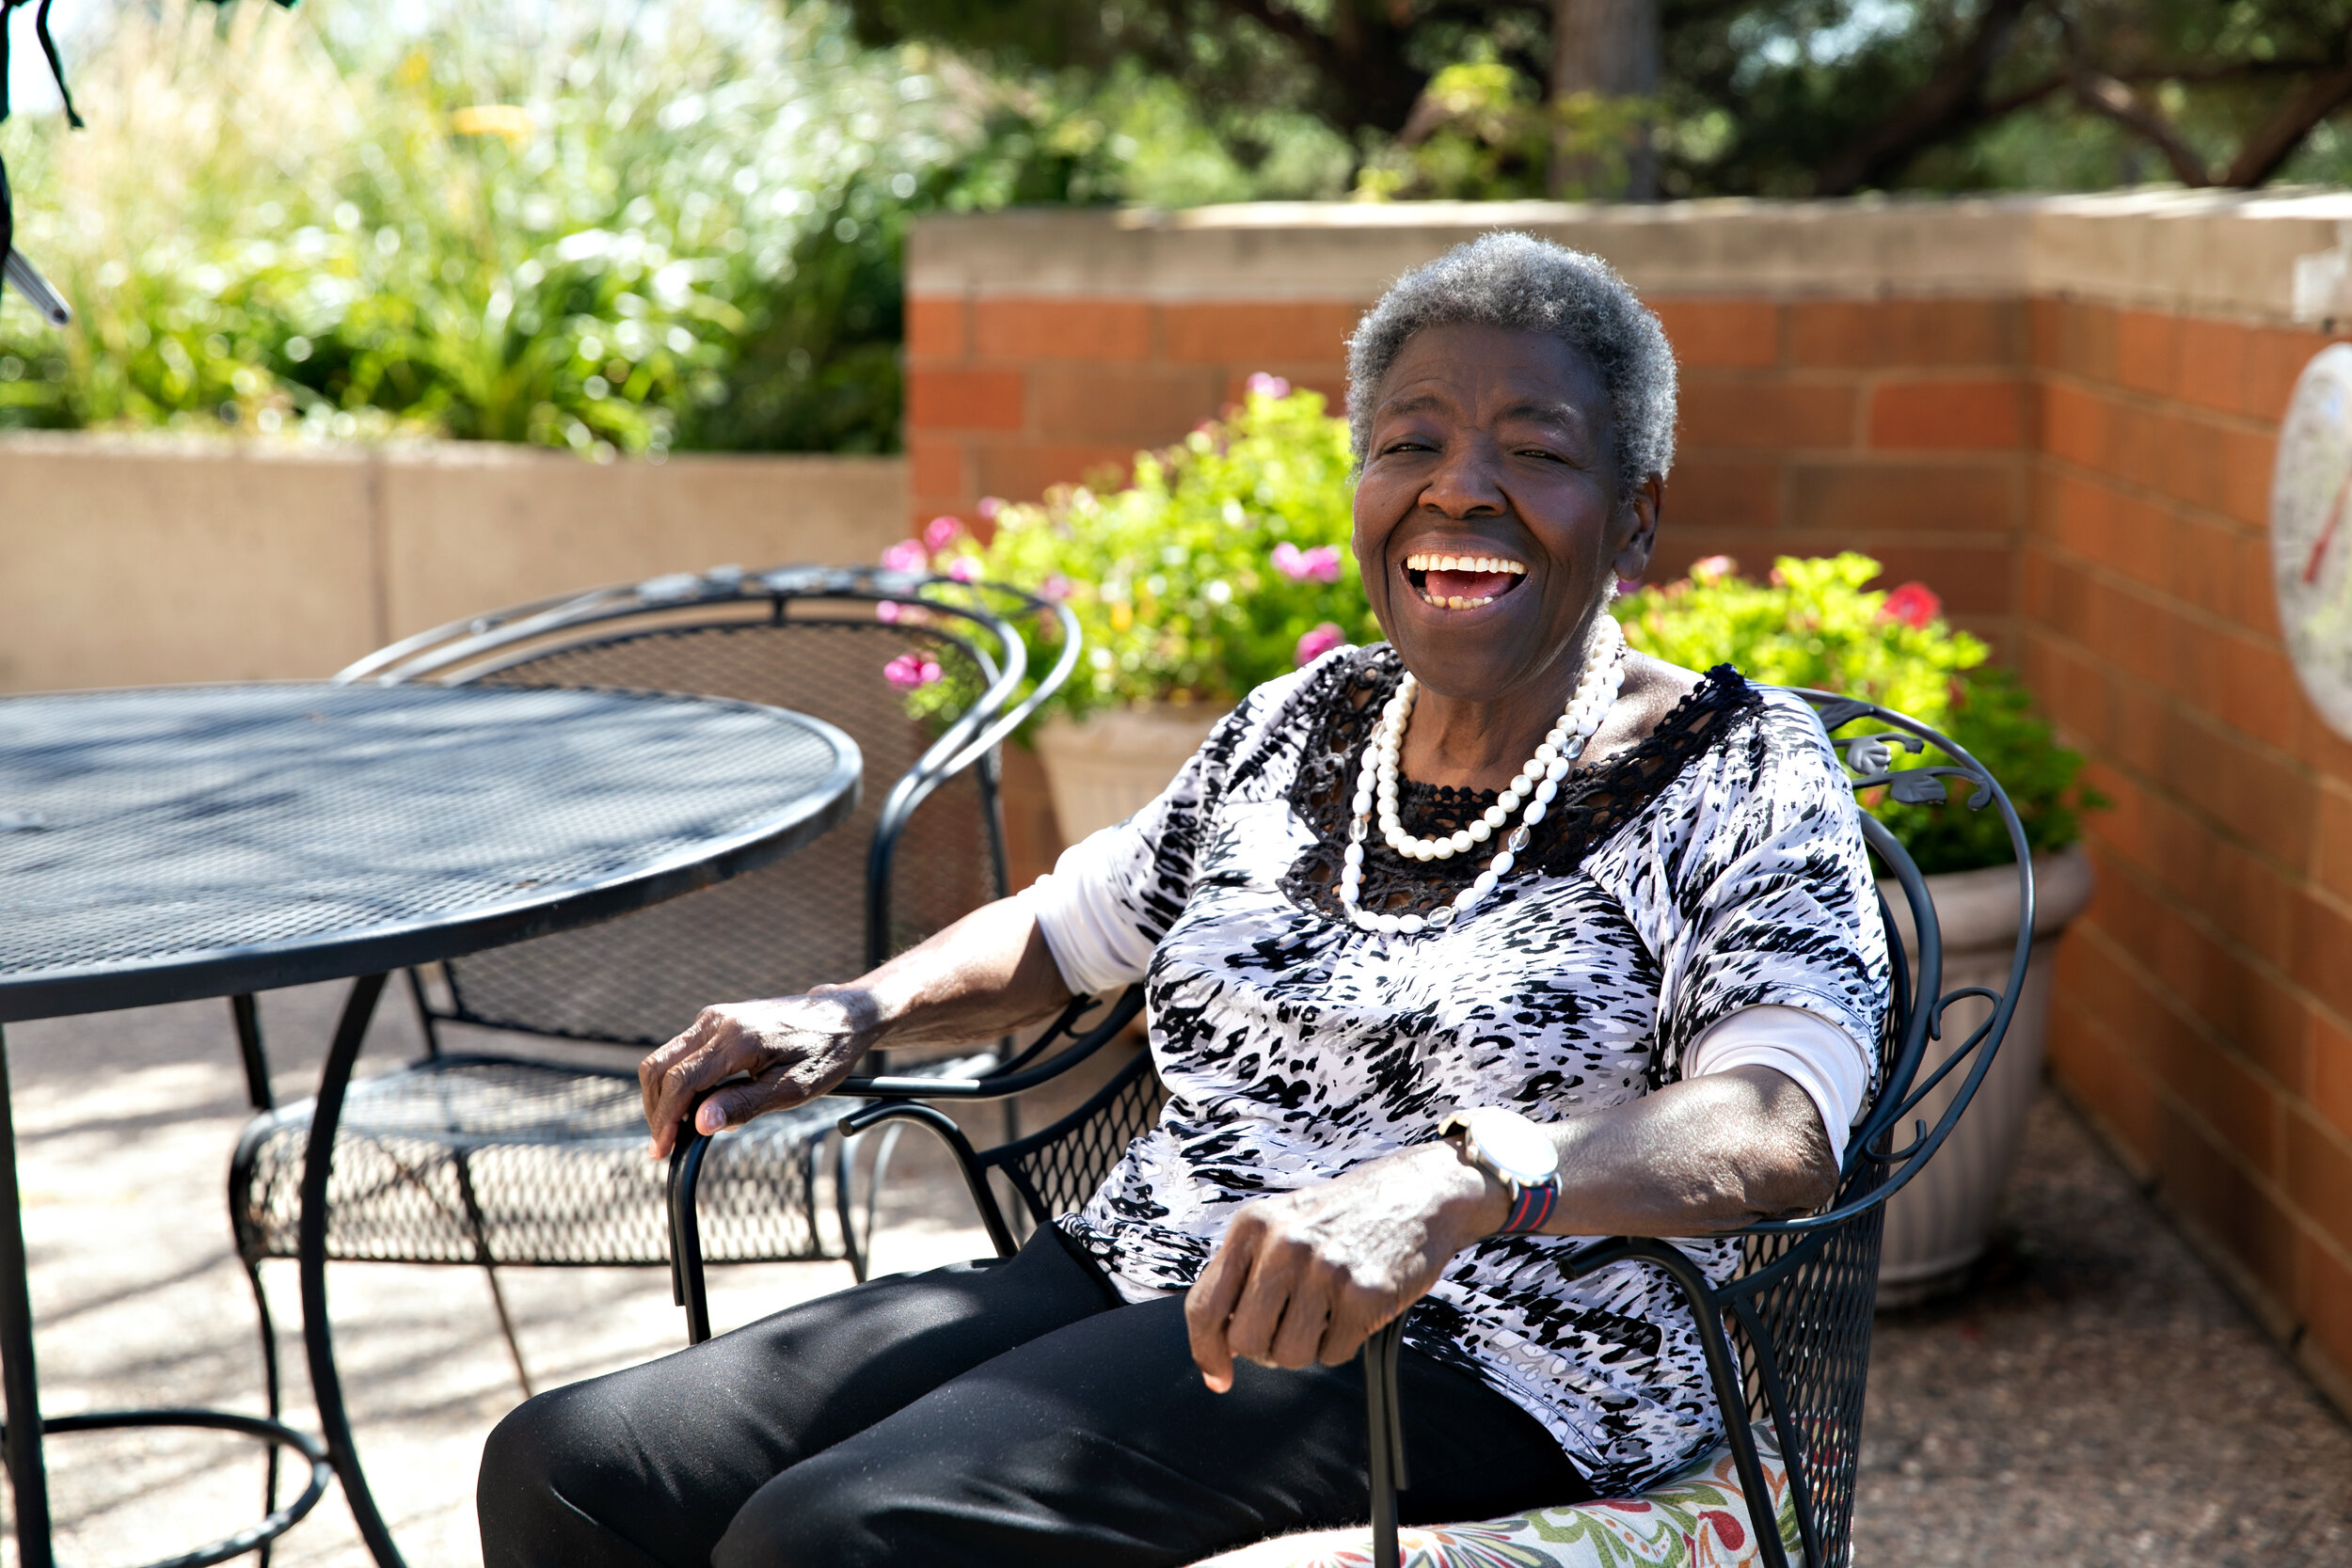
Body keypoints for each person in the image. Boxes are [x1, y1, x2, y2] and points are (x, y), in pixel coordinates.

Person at [476, 231, 1889, 1568]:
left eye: (1535, 453)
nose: (1458, 489)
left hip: (1489, 1351)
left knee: (837, 1539)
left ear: (1633, 520)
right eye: (1410, 445)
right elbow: (1071, 921)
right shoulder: (1304, 722)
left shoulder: (1735, 767)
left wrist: (1461, 1181)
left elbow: (1780, 1129)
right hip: (1147, 1265)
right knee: (573, 1465)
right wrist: (852, 1010)